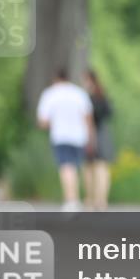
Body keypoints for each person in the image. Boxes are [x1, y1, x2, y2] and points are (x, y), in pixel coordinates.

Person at [37, 68, 95, 212]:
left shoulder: (50, 94)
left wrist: (55, 122)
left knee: (66, 167)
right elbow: (88, 118)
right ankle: (78, 198)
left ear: (55, 79)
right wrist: (91, 137)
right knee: (75, 167)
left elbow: (42, 122)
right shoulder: (79, 93)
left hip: (61, 135)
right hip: (79, 136)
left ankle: (71, 200)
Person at [83, 69, 114, 211]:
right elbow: (110, 113)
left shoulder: (88, 98)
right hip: (102, 131)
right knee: (100, 168)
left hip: (92, 133)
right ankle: (100, 201)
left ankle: (92, 199)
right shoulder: (102, 95)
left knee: (92, 168)